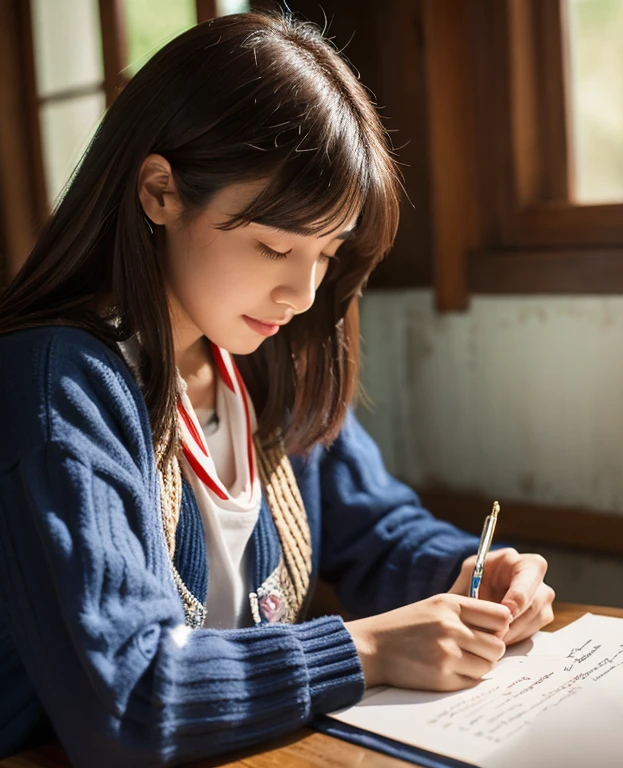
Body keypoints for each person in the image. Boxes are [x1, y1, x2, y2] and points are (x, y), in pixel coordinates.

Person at [0, 11, 554, 767]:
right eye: (273, 245)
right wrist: (366, 651)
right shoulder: (57, 384)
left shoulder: (263, 359)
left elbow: (378, 533)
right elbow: (126, 699)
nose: (301, 290)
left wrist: (473, 575)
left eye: (327, 252)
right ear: (160, 192)